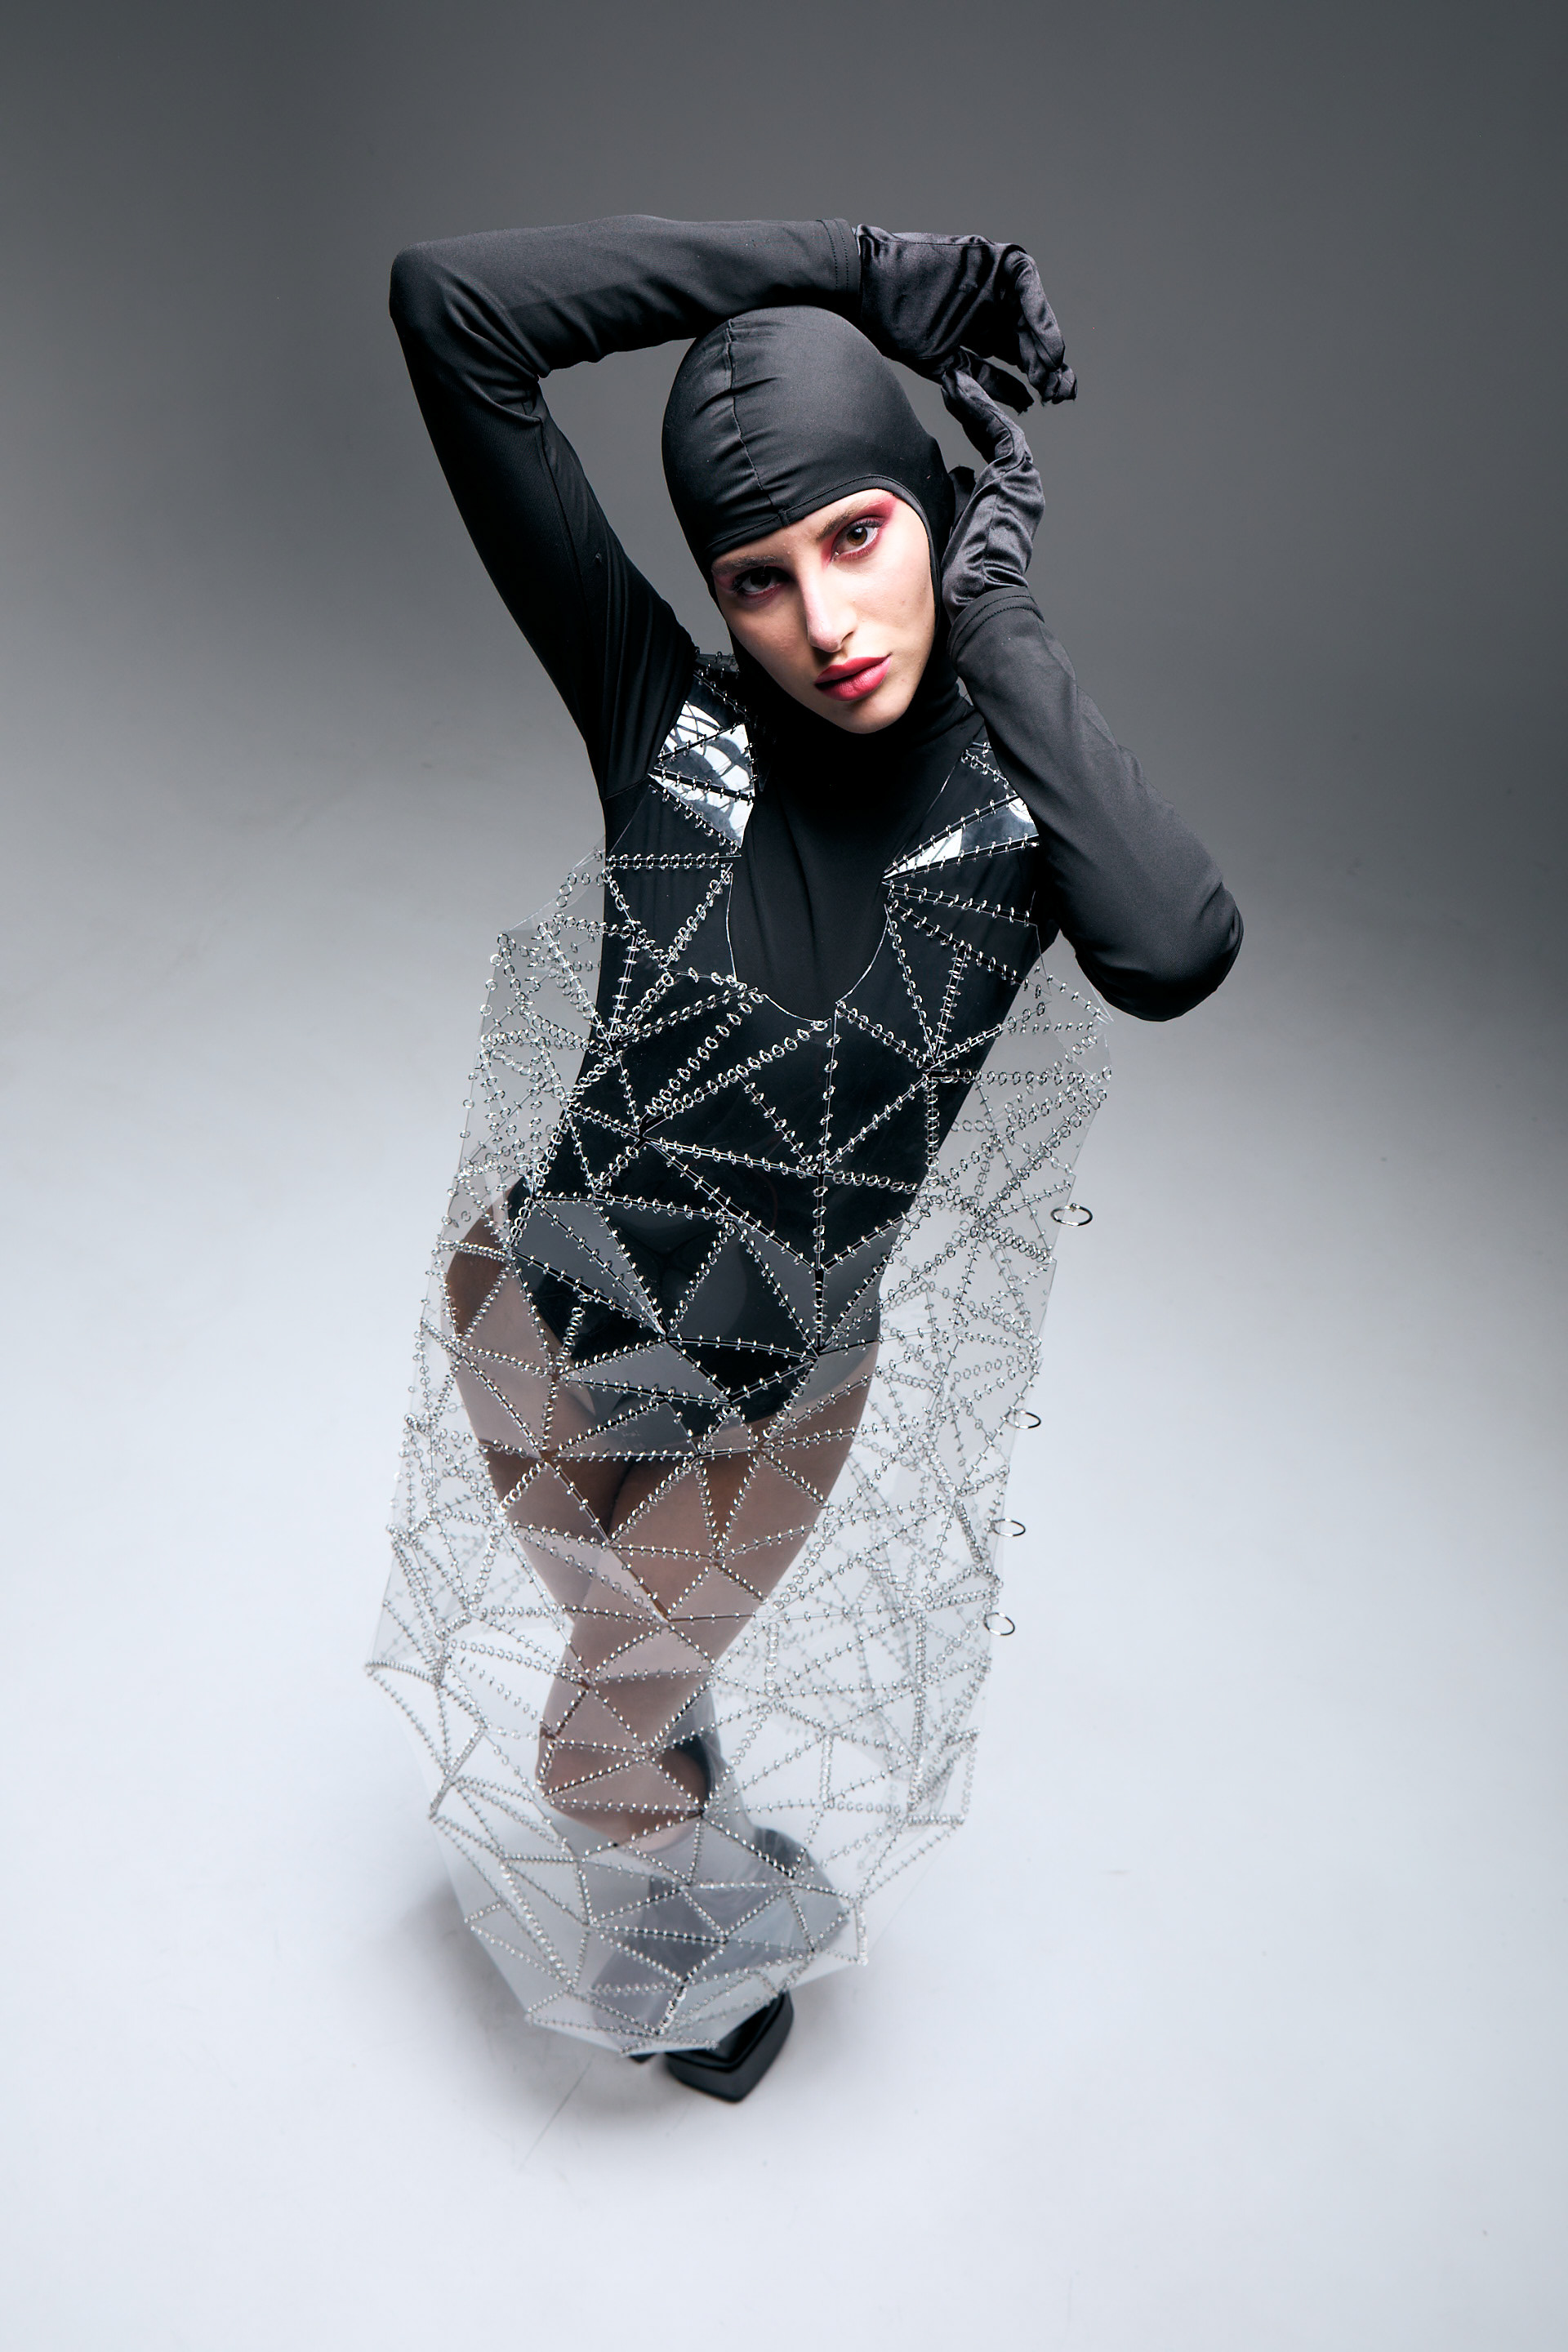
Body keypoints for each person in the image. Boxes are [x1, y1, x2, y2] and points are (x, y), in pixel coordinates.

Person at [376, 216, 1241, 2098]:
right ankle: (698, 1859)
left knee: (587, 1752)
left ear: (935, 511)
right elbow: (452, 311)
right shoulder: (664, 719)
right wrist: (854, 271)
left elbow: (1177, 944)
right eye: (757, 578)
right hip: (529, 1310)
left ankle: (722, 1941)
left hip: (760, 1403)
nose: (824, 622)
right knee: (639, 1686)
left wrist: (1001, 627)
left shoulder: (1011, 823)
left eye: (859, 538)